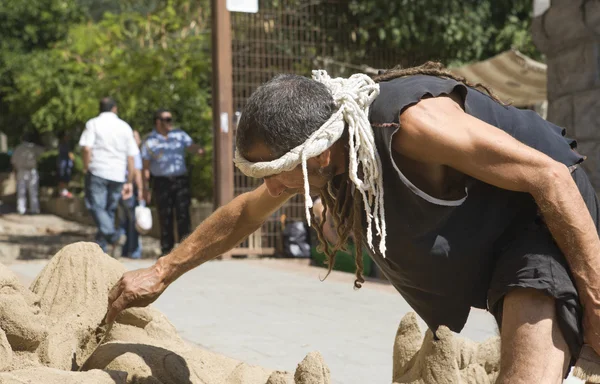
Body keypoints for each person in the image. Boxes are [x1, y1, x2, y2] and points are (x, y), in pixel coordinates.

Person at [105, 62, 600, 383]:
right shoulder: (332, 152)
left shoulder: (412, 124)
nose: (273, 189)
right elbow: (243, 215)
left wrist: (596, 302)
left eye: (279, 175)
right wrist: (162, 271)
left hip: (542, 218)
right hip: (489, 241)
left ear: (317, 154)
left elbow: (550, 177)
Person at [79, 97, 139, 255]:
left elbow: (86, 148)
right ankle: (102, 250)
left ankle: (112, 236)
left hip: (98, 170)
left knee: (96, 207)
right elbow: (131, 156)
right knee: (109, 210)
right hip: (118, 174)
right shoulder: (125, 127)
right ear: (115, 108)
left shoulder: (93, 123)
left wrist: (86, 167)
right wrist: (129, 181)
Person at [140, 109, 205, 256]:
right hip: (161, 182)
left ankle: (186, 250)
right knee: (165, 216)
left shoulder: (179, 135)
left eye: (170, 119)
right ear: (158, 122)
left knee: (183, 214)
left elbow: (191, 147)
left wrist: (200, 150)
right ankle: (166, 251)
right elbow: (145, 167)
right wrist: (145, 188)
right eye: (167, 119)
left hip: (180, 180)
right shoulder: (150, 141)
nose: (170, 122)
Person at [119, 130, 144, 259]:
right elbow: (137, 172)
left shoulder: (121, 151)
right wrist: (140, 190)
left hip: (119, 186)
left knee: (123, 220)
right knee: (133, 222)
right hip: (130, 188)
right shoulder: (134, 152)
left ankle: (122, 249)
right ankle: (134, 252)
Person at [11, 132, 44, 215]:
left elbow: (13, 162)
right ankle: (34, 209)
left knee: (21, 191)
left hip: (21, 171)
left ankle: (21, 209)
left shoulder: (18, 148)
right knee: (33, 191)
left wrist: (15, 172)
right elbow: (43, 152)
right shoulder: (34, 147)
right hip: (31, 170)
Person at [57, 131, 74, 198]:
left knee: (65, 178)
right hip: (64, 165)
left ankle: (64, 191)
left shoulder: (63, 144)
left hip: (64, 165)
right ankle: (63, 192)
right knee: (63, 178)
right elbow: (70, 154)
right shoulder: (64, 145)